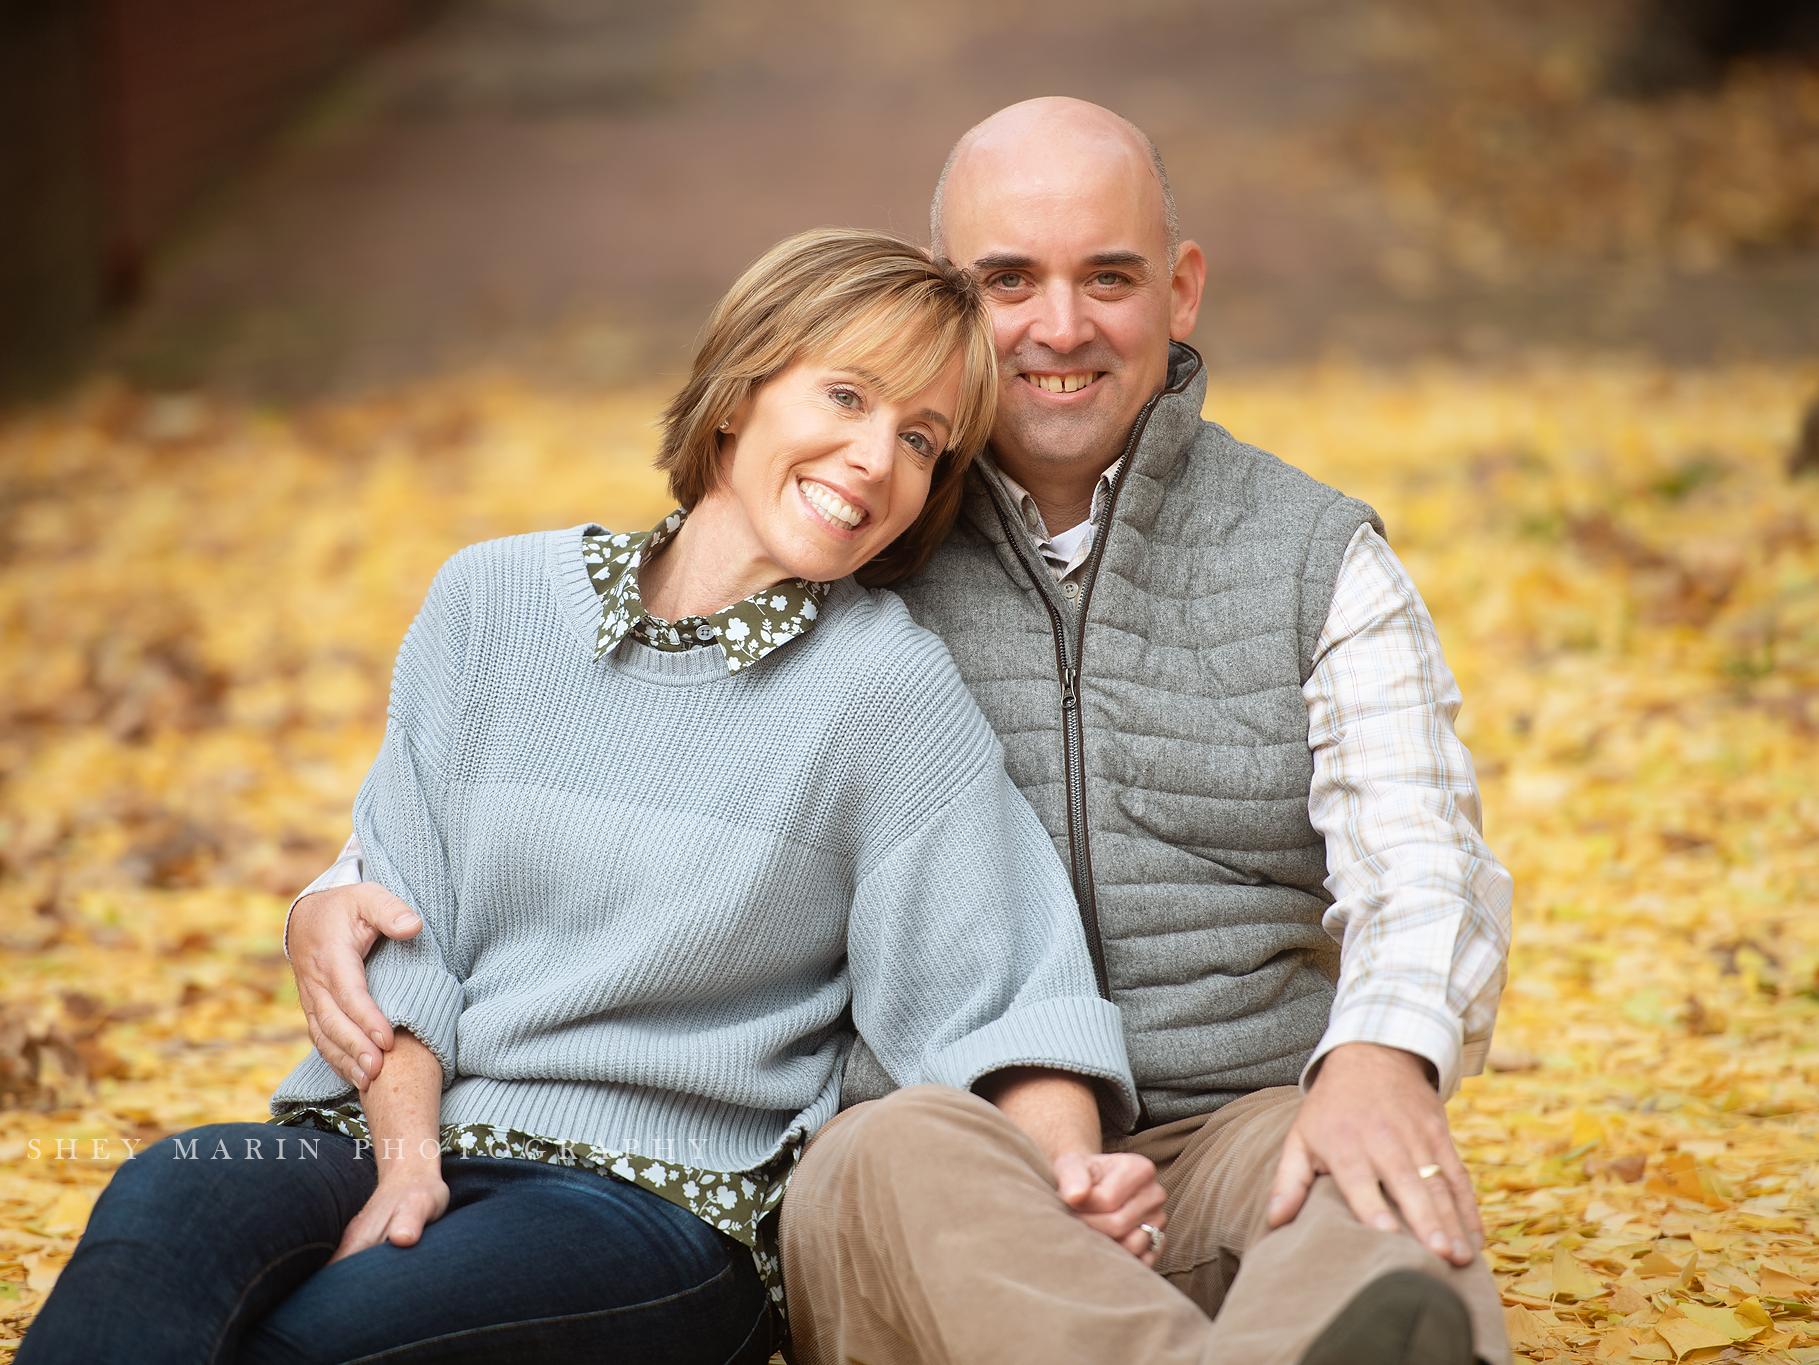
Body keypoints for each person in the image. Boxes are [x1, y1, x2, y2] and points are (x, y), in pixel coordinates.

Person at [289, 99, 1516, 1365]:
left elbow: (1419, 855)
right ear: (941, 304)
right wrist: (342, 886)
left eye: (1108, 277)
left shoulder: (1314, 560)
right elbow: (605, 727)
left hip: (1239, 1124)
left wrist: (1377, 1056)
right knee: (887, 1158)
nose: (1059, 325)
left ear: (1181, 289)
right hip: (937, 1156)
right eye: (1006, 280)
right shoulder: (849, 529)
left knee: (1375, 1190)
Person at [15, 228, 1148, 1365]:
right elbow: (404, 919)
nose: (872, 458)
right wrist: (410, 1160)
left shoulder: (884, 689)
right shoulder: (490, 602)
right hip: (391, 1127)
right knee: (164, 1198)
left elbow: (1002, 991)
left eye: (919, 440)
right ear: (738, 395)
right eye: (845, 396)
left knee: (309, 1347)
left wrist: (1071, 1181)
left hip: (653, 1206)